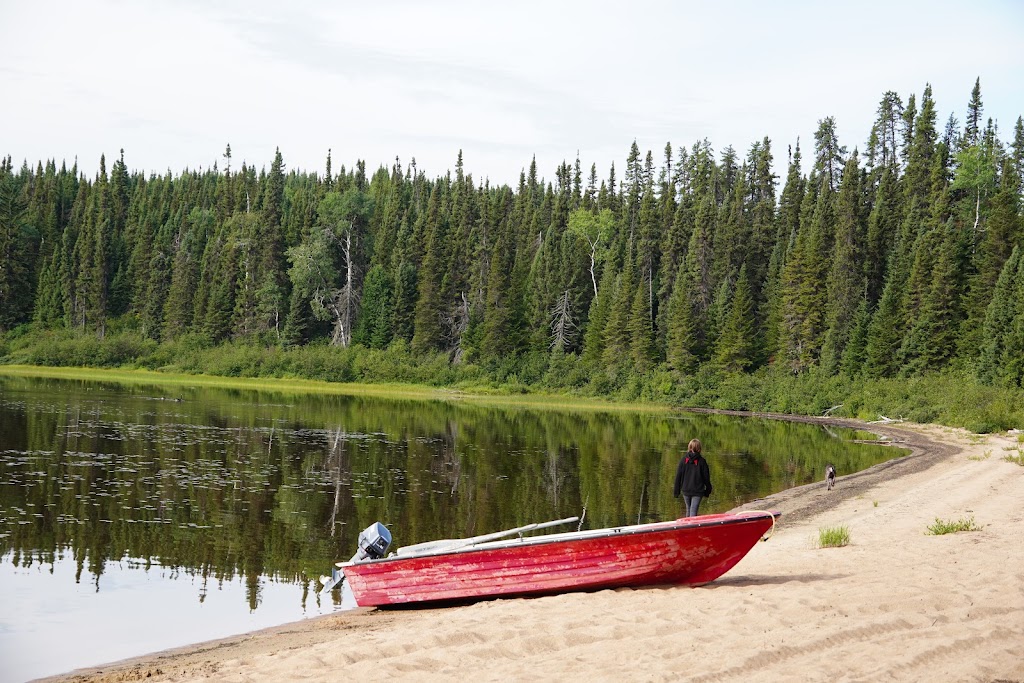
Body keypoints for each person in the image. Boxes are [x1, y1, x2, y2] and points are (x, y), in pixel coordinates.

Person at [673, 438, 712, 517]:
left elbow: (678, 477)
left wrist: (676, 492)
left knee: (688, 510)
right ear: (699, 448)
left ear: (689, 447)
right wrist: (708, 490)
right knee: (693, 510)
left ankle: (687, 527)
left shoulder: (683, 460)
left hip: (686, 490)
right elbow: (706, 478)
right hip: (697, 491)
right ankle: (692, 527)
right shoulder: (702, 461)